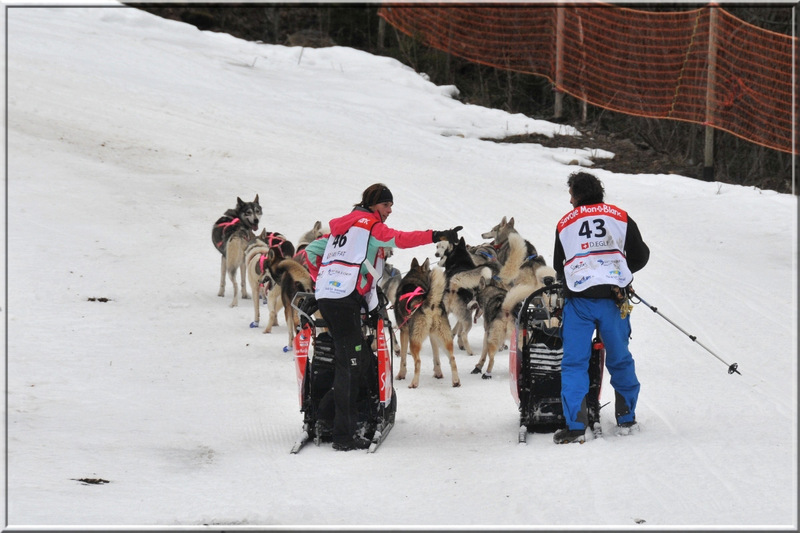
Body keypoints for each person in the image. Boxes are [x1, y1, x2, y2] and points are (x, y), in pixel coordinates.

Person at [315, 183, 461, 451]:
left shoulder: (343, 226)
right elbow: (402, 239)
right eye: (386, 205)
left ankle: (339, 417)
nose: (390, 210)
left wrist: (323, 281)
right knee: (351, 363)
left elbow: (312, 252)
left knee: (349, 360)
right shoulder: (370, 226)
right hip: (345, 300)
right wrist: (437, 235)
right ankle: (343, 436)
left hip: (329, 297)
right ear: (373, 205)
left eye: (391, 205)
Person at [552, 171, 650, 444]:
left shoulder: (564, 223)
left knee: (574, 363)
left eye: (571, 195)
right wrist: (621, 274)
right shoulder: (620, 216)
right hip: (613, 300)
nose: (570, 200)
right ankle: (627, 417)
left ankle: (575, 426)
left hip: (580, 301)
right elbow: (641, 255)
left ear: (577, 195)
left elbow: (560, 266)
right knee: (620, 359)